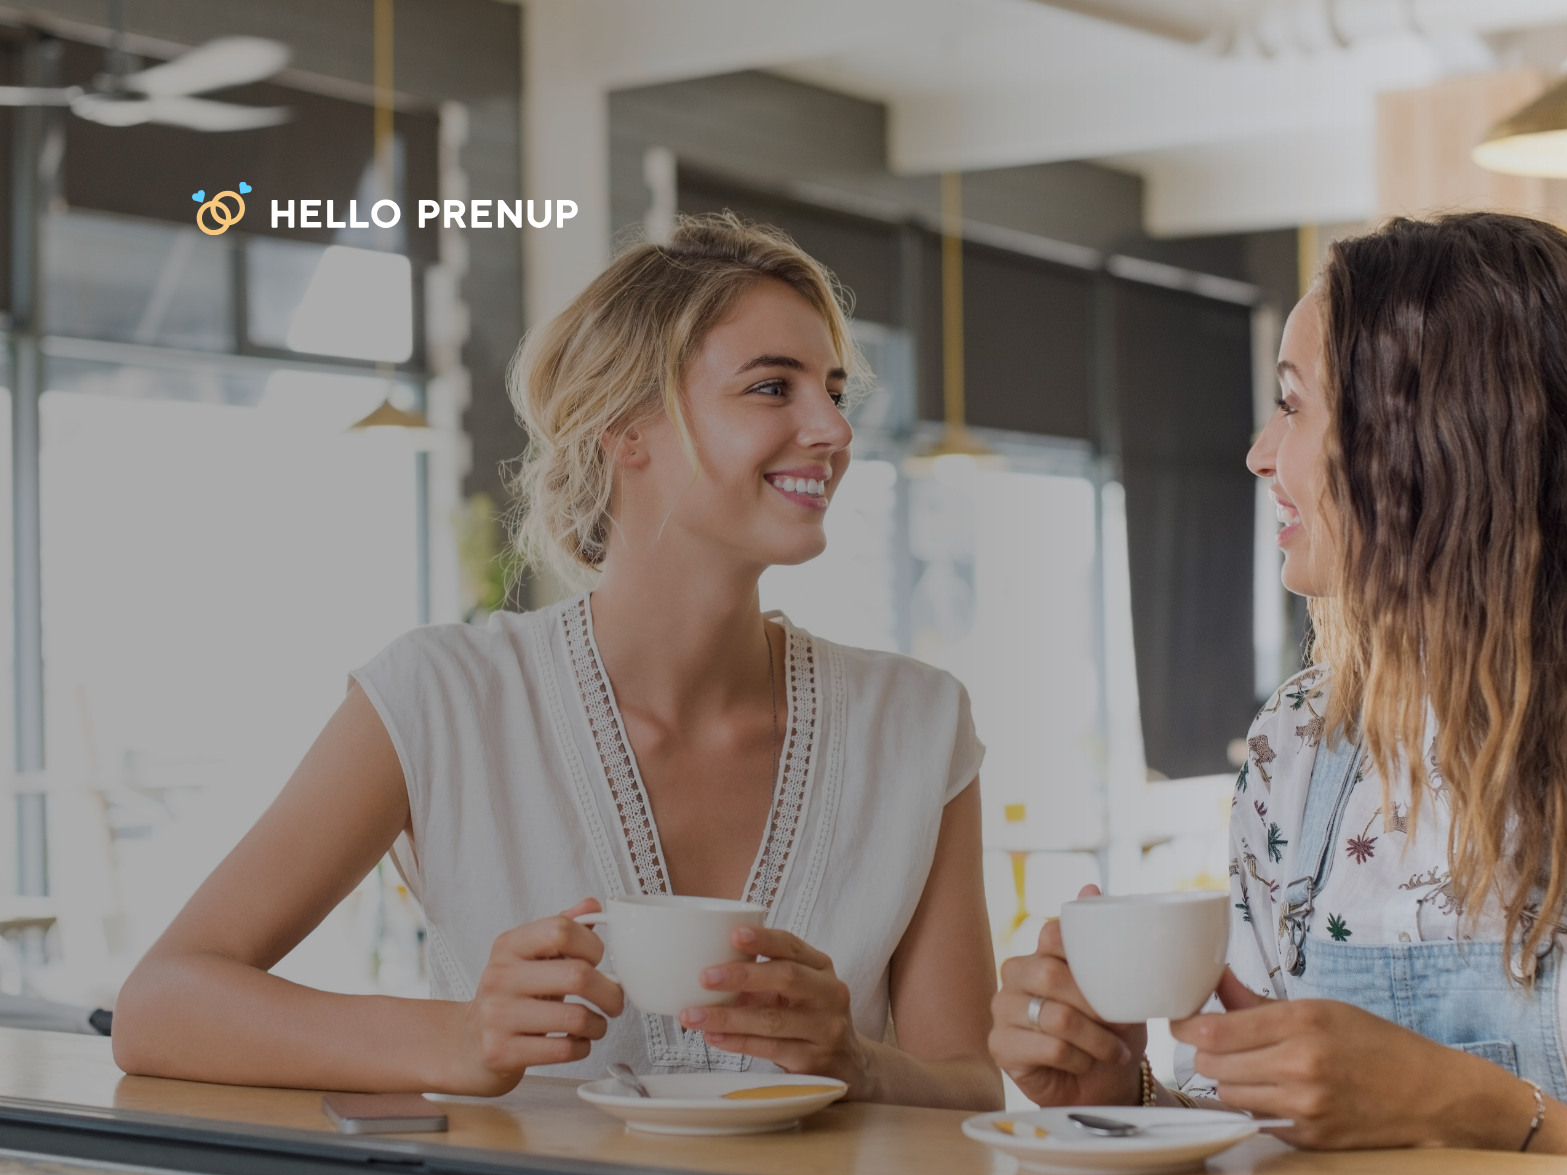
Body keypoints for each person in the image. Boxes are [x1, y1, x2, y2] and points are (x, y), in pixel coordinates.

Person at [991, 212, 1567, 1173]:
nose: (1260, 454)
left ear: (1435, 441)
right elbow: (1253, 1143)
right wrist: (1123, 1097)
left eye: (1293, 406)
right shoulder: (1299, 741)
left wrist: (1474, 1109)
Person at [114, 214, 1003, 1110]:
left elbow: (969, 1083)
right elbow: (161, 1004)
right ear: (625, 429)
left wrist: (857, 1062)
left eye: (835, 393)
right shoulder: (439, 699)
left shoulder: (919, 723)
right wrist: (457, 1037)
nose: (834, 430)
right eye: (774, 388)